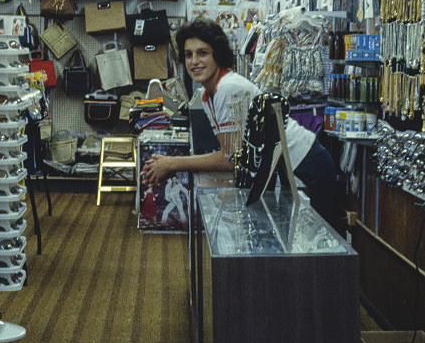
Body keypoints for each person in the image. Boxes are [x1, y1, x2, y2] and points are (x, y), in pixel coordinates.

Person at [140, 19, 344, 230]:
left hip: (309, 168)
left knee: (320, 244)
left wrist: (173, 164)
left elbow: (230, 160)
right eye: (189, 54)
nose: (194, 61)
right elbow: (232, 155)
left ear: (217, 55)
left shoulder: (228, 88)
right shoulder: (209, 94)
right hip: (287, 170)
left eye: (203, 53)